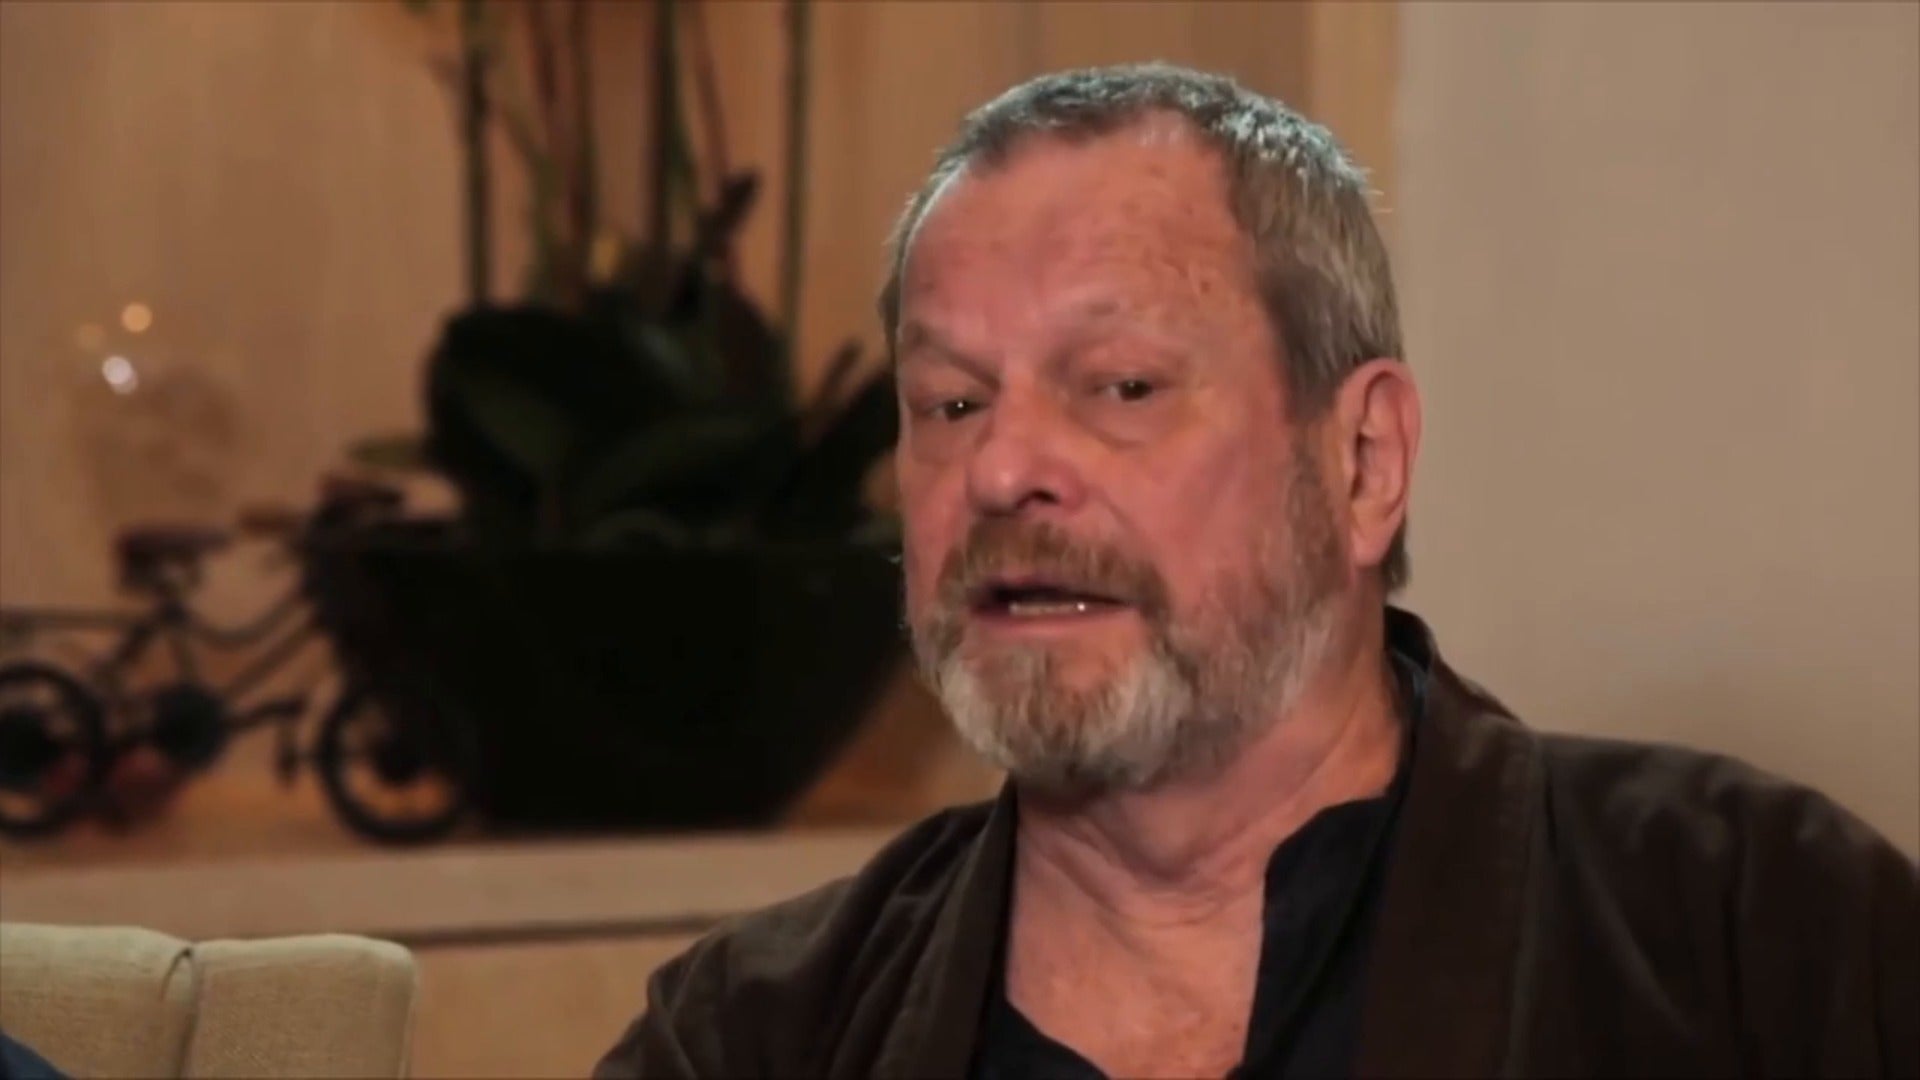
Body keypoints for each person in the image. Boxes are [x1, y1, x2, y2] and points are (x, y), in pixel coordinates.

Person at [596, 63, 1918, 1078]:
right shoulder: (752, 1039)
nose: (1000, 470)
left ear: (1362, 460)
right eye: (950, 404)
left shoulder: (1760, 937)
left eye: (1121, 386)